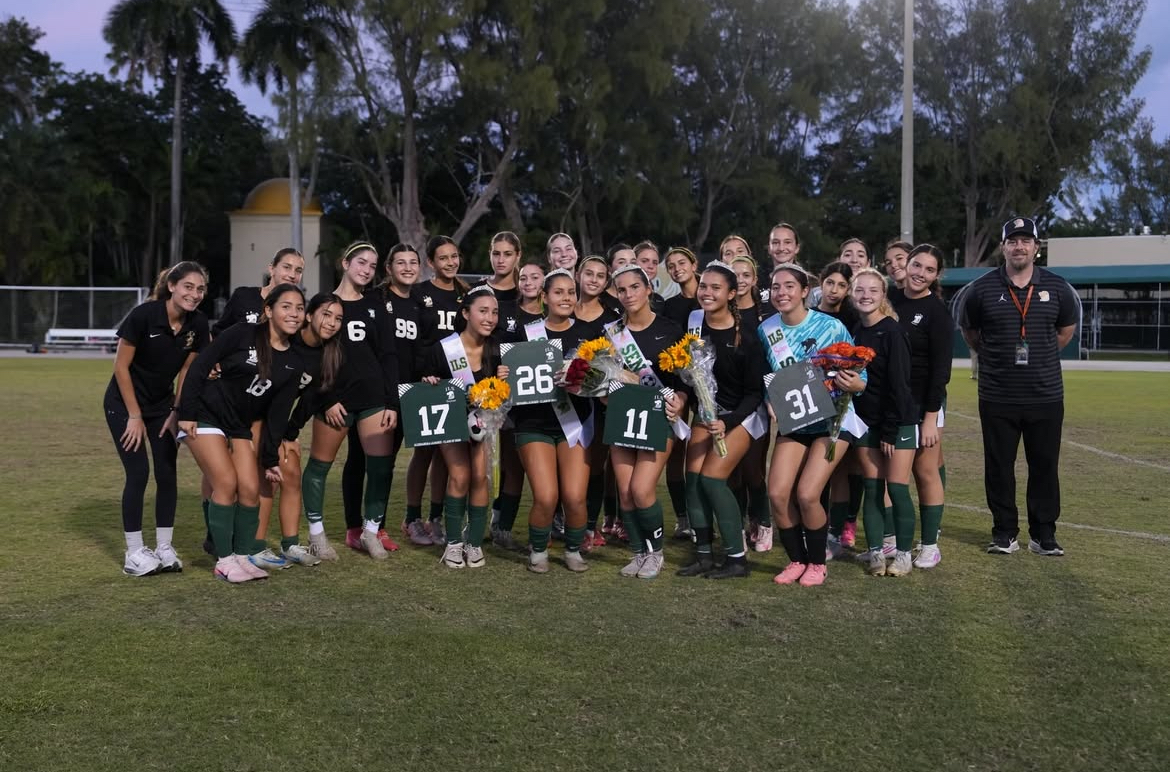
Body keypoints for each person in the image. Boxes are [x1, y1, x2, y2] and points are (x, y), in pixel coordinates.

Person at [960, 217, 1078, 556]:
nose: (1019, 246)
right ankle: (1004, 533)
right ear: (1003, 247)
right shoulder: (981, 289)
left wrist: (1039, 353)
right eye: (1013, 241)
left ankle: (1043, 535)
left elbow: (1064, 332)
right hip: (998, 395)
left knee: (1044, 466)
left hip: (1045, 395)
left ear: (1037, 248)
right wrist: (994, 356)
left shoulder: (1056, 287)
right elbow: (971, 333)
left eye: (1026, 240)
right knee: (998, 467)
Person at [177, 284, 308, 583]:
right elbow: (201, 366)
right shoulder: (242, 333)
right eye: (286, 306)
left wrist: (270, 458)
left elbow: (276, 415)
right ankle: (223, 561)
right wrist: (185, 413)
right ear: (268, 310)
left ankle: (240, 555)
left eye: (299, 308)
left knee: (250, 489)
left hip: (238, 424)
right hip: (206, 414)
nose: (294, 313)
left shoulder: (293, 361)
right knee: (225, 482)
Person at [761, 265, 863, 587]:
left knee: (806, 494)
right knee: (777, 494)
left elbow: (860, 372)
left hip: (833, 420)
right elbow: (767, 377)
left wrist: (856, 384)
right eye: (776, 287)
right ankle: (796, 560)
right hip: (796, 421)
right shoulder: (766, 329)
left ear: (805, 290)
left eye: (789, 286)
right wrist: (768, 398)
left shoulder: (831, 326)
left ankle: (817, 563)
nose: (782, 293)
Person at [105, 262, 210, 576]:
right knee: (138, 473)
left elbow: (187, 372)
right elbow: (120, 367)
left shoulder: (199, 324)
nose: (194, 294)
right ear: (172, 286)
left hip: (162, 407)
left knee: (167, 474)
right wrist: (134, 415)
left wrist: (177, 412)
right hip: (124, 405)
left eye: (200, 289)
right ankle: (134, 553)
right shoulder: (143, 315)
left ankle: (164, 547)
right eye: (188, 287)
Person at [300, 242, 400, 562]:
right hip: (336, 400)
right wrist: (326, 398)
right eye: (361, 263)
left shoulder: (376, 305)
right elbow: (312, 354)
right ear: (345, 263)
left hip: (372, 399)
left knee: (380, 468)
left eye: (372, 266)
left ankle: (370, 532)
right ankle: (316, 535)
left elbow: (388, 356)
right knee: (319, 467)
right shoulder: (325, 304)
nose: (367, 270)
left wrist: (391, 402)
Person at [675, 262, 765, 579]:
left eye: (716, 288)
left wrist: (730, 421)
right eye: (704, 286)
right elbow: (691, 376)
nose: (707, 293)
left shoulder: (748, 337)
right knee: (694, 480)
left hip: (743, 416)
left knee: (713, 479)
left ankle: (737, 559)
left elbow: (755, 393)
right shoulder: (695, 324)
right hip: (706, 412)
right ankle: (702, 554)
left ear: (731, 293)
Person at [339, 245, 430, 547]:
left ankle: (376, 526)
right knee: (358, 458)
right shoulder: (375, 299)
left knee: (386, 463)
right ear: (388, 268)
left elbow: (422, 350)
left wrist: (428, 372)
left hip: (408, 393)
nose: (407, 268)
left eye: (413, 262)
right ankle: (354, 527)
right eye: (400, 262)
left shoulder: (420, 303)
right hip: (374, 393)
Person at [511, 269, 598, 572]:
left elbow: (602, 383)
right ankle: (538, 551)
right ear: (544, 297)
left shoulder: (589, 334)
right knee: (546, 497)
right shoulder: (525, 333)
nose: (566, 298)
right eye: (558, 292)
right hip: (533, 424)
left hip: (575, 425)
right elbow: (510, 379)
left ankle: (573, 550)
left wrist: (587, 379)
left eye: (571, 292)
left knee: (574, 497)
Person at [605, 265, 688, 579]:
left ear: (648, 289)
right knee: (625, 491)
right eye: (622, 290)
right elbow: (602, 380)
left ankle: (656, 554)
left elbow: (685, 381)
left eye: (634, 287)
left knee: (642, 488)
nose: (628, 295)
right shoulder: (611, 333)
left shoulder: (670, 329)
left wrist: (680, 401)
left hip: (658, 418)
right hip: (621, 417)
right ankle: (639, 553)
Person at [419, 286, 506, 568]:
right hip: (453, 422)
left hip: (482, 423)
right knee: (459, 476)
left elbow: (505, 394)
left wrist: (505, 377)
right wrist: (428, 382)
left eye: (494, 312)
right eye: (483, 311)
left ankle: (474, 543)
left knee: (480, 477)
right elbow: (423, 386)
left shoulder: (497, 349)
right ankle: (454, 543)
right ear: (466, 313)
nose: (490, 317)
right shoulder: (443, 349)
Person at [846, 268, 919, 577]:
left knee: (898, 489)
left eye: (873, 290)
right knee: (872, 488)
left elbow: (900, 386)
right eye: (860, 290)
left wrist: (890, 429)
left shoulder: (892, 331)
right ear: (852, 294)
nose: (866, 295)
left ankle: (903, 555)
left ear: (882, 295)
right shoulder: (854, 331)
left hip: (896, 424)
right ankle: (876, 552)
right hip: (866, 423)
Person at [266, 292, 344, 567]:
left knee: (291, 475)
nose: (332, 322)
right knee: (263, 481)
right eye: (326, 314)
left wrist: (289, 434)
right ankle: (252, 545)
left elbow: (309, 401)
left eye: (338, 318)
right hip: (255, 416)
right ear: (309, 315)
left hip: (280, 424)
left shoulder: (328, 354)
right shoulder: (287, 339)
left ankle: (289, 545)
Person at [893, 245, 953, 569]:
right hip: (893, 402)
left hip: (925, 402)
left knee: (925, 470)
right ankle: (890, 541)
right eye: (916, 265)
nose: (920, 273)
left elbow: (941, 371)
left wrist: (931, 419)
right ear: (907, 264)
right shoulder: (890, 299)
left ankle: (930, 545)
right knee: (892, 472)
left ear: (936, 275)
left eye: (929, 270)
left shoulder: (937, 312)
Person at [408, 236, 467, 544]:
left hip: (456, 381)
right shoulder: (419, 294)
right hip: (427, 382)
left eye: (454, 256)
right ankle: (412, 517)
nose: (450, 262)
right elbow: (414, 339)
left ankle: (435, 517)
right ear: (430, 262)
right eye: (443, 258)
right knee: (424, 451)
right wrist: (421, 374)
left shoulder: (465, 294)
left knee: (447, 454)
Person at [490, 261, 547, 550]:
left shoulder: (552, 315)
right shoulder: (506, 312)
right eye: (522, 277)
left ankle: (554, 526)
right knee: (513, 469)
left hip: (546, 408)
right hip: (511, 405)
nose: (527, 282)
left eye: (535, 277)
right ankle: (501, 527)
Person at [573, 254, 619, 549]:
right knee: (565, 467)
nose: (593, 279)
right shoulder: (562, 309)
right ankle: (561, 523)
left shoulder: (613, 319)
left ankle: (591, 525)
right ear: (578, 274)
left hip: (600, 404)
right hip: (566, 404)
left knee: (596, 465)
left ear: (606, 282)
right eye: (588, 273)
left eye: (600, 275)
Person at [212, 248, 305, 335]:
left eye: (298, 270)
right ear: (272, 269)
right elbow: (219, 333)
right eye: (287, 267)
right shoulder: (243, 296)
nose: (292, 275)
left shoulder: (298, 309)